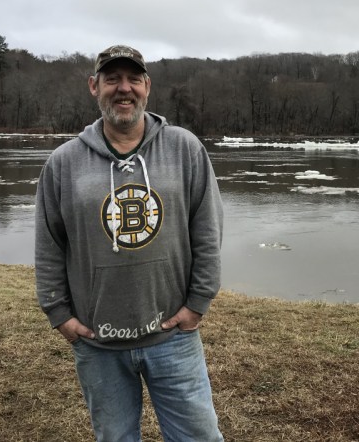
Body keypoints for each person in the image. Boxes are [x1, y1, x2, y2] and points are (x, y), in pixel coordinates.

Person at [35, 44, 224, 441]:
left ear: (147, 86)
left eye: (133, 79)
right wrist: (59, 313)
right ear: (94, 86)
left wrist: (197, 304)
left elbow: (207, 229)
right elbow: (50, 244)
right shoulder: (64, 162)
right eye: (112, 79)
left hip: (174, 336)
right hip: (98, 341)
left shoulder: (184, 148)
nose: (124, 89)